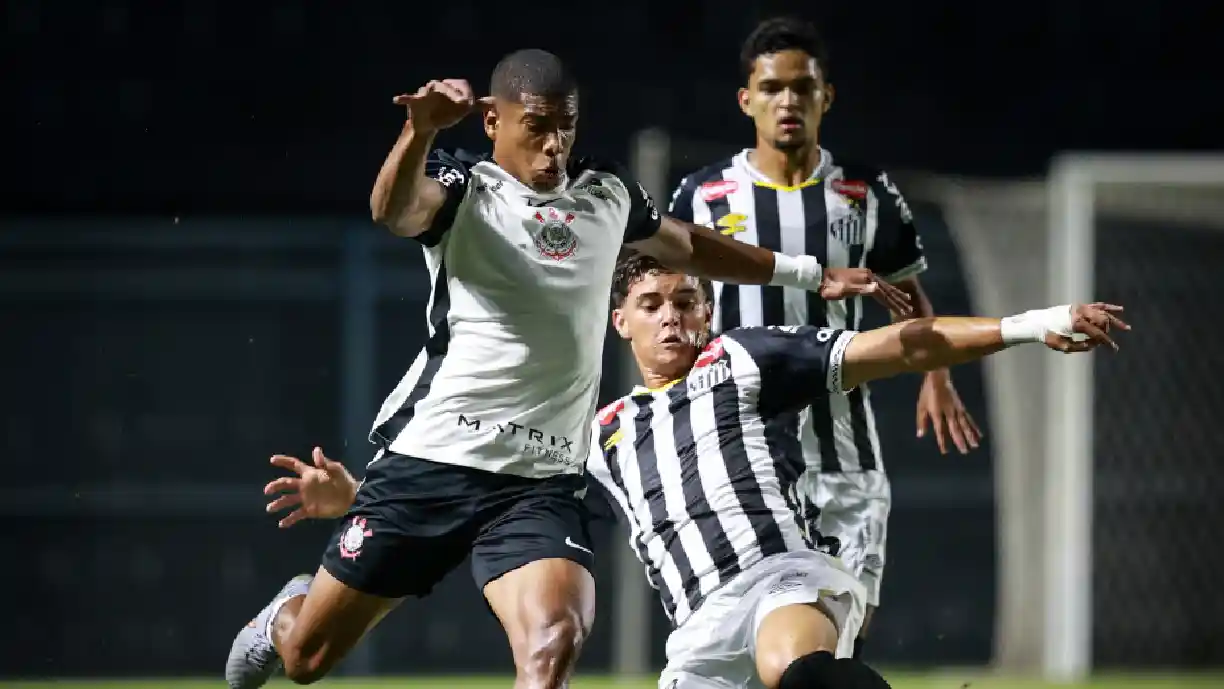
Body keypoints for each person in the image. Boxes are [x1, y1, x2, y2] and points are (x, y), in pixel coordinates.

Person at [225, 48, 914, 689]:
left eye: (567, 126)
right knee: (306, 657)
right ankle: (284, 612)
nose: (555, 144)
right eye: (537, 127)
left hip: (539, 482)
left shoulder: (606, 193)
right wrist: (421, 133)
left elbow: (691, 246)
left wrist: (807, 272)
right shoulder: (466, 188)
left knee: (552, 641)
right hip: (430, 462)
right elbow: (392, 209)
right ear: (493, 120)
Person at [261, 253, 1129, 689]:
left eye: (687, 302)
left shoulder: (744, 363)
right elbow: (489, 509)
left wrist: (1027, 323)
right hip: (697, 633)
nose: (673, 317)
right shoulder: (589, 432)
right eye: (652, 305)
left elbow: (902, 343)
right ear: (618, 324)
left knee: (800, 665)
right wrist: (359, 500)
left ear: (708, 314)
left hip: (782, 578)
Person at [668, 16, 982, 654]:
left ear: (825, 97)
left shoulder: (865, 195)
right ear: (746, 99)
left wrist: (937, 373)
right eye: (773, 88)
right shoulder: (701, 197)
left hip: (843, 450)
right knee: (742, 634)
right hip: (741, 453)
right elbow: (668, 306)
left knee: (843, 632)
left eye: (802, 89)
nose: (788, 102)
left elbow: (906, 291)